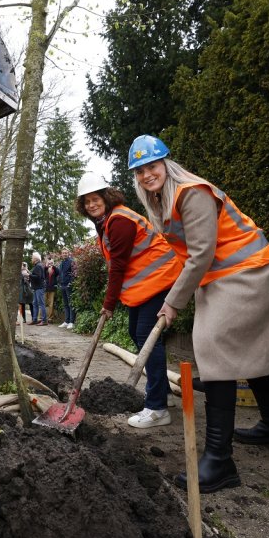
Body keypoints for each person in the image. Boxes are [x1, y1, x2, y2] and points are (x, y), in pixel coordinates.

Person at [128, 134, 269, 494]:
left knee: (213, 349)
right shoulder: (163, 202)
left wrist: (175, 301)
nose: (147, 174)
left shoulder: (190, 193)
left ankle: (219, 460)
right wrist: (172, 295)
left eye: (152, 166)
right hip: (223, 276)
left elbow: (202, 253)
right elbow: (187, 257)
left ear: (166, 164)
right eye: (140, 170)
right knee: (243, 353)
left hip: (248, 270)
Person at [75, 171, 183, 428]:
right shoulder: (107, 221)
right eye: (86, 201)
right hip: (148, 284)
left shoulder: (120, 220)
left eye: (95, 199)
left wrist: (108, 304)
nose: (91, 205)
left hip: (160, 278)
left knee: (147, 337)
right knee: (138, 333)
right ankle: (164, 393)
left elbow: (118, 267)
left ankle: (157, 407)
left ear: (106, 197)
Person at [58, 247, 76, 328]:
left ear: (68, 253)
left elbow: (74, 273)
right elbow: (60, 274)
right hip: (62, 285)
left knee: (71, 304)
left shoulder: (71, 262)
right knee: (65, 304)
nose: (64, 254)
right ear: (62, 254)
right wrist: (59, 283)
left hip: (69, 286)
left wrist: (70, 283)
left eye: (66, 252)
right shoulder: (61, 263)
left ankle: (72, 322)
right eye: (63, 253)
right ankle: (66, 321)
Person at [29, 252, 47, 325]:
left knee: (41, 304)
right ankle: (35, 319)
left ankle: (44, 320)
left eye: (32, 258)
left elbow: (38, 277)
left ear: (36, 259)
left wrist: (29, 275)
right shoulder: (36, 266)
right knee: (35, 303)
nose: (31, 259)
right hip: (36, 288)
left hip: (39, 287)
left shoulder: (38, 266)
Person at [44, 256, 59, 322]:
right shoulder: (45, 269)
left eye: (52, 262)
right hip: (45, 288)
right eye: (49, 262)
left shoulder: (55, 269)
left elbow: (58, 273)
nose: (50, 263)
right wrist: (46, 266)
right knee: (44, 303)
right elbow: (43, 275)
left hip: (52, 288)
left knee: (51, 303)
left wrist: (53, 266)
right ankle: (43, 317)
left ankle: (50, 318)